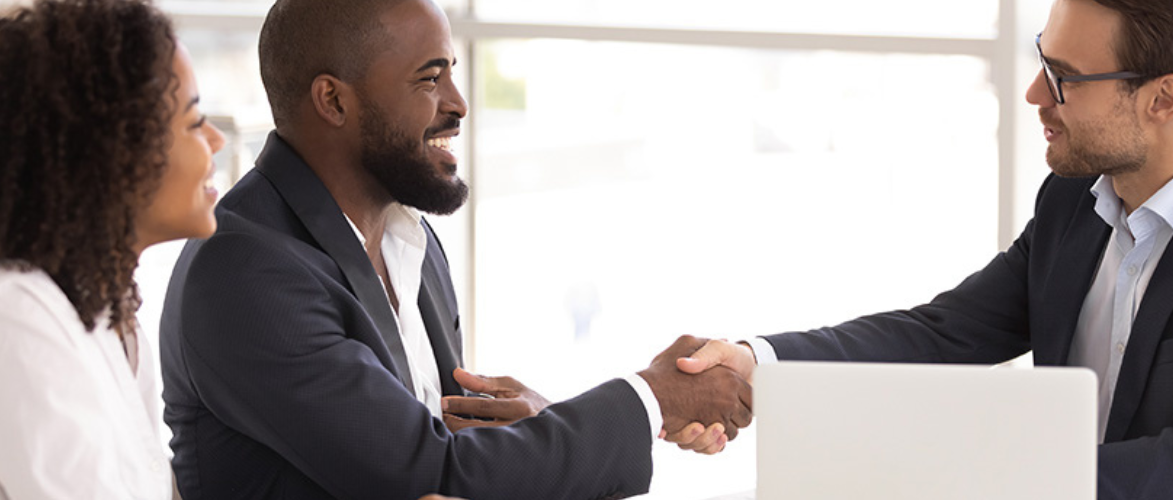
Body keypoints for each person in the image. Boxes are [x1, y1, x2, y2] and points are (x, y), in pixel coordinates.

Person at [157, 0, 753, 498]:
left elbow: (450, 451)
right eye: (429, 77)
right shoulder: (247, 270)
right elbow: (430, 474)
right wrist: (651, 399)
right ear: (334, 102)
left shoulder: (408, 239)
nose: (459, 103)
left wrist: (543, 422)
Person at [672, 0, 1173, 497]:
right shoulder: (1073, 200)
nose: (1035, 93)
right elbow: (947, 332)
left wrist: (978, 477)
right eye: (1042, 59)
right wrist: (754, 363)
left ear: (1162, 99)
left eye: (1066, 78)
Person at [0, 0, 227, 497]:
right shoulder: (18, 314)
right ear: (112, 149)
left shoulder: (109, 312)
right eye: (193, 122)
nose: (215, 140)